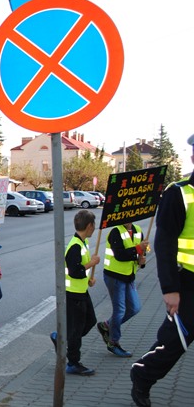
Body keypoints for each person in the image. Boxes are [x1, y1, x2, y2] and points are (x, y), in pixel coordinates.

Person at [130, 133, 194, 407]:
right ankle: (142, 376)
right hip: (188, 284)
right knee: (174, 342)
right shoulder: (179, 192)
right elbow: (164, 243)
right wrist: (170, 289)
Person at [50, 209, 100, 375]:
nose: (95, 228)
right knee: (77, 330)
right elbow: (74, 271)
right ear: (89, 226)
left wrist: (88, 279)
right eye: (94, 225)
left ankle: (61, 337)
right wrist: (92, 263)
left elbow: (80, 272)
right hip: (73, 294)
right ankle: (73, 362)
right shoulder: (75, 246)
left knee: (89, 321)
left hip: (81, 290)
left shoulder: (82, 243)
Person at [96, 222, 149, 357]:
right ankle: (113, 342)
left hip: (129, 276)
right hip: (114, 276)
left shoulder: (138, 230)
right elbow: (120, 255)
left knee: (135, 308)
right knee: (119, 310)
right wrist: (138, 248)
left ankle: (107, 325)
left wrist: (142, 262)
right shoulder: (115, 232)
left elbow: (142, 252)